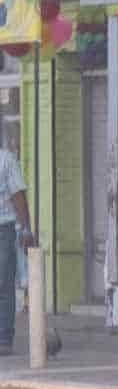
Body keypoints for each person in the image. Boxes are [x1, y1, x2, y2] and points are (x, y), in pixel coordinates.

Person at [0, 141, 33, 356]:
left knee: (3, 283)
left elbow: (18, 197)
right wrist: (26, 229)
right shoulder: (7, 160)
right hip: (5, 228)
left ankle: (3, 337)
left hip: (4, 228)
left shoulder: (6, 160)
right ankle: (3, 337)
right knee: (3, 284)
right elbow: (19, 196)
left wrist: (25, 229)